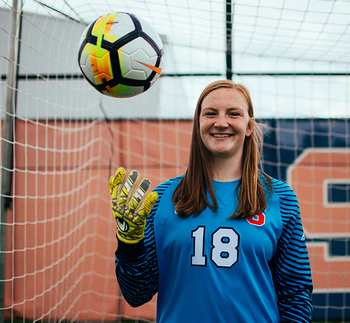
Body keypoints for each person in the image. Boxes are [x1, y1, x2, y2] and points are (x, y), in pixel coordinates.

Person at [109, 79, 313, 322]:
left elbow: (296, 294)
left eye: (233, 114)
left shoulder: (280, 198)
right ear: (198, 124)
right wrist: (129, 244)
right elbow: (137, 294)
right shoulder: (163, 197)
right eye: (211, 113)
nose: (221, 122)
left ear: (249, 126)